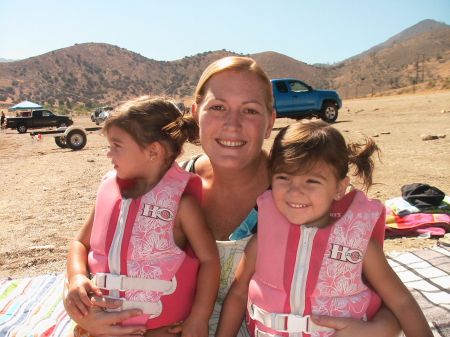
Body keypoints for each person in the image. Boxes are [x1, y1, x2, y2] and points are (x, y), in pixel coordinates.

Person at [64, 56, 401, 337]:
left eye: (251, 111)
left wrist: (378, 328)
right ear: (196, 114)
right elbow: (85, 246)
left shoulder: (308, 196)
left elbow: (387, 301)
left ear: (271, 121)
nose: (233, 125)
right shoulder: (159, 183)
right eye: (219, 107)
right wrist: (78, 298)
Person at [216, 120, 432, 337]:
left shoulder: (360, 246)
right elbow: (238, 293)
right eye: (284, 177)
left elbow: (402, 303)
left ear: (339, 187)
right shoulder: (262, 240)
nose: (295, 191)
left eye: (311, 181)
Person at [65, 96, 220, 337]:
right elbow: (80, 243)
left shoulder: (182, 205)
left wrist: (199, 317)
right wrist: (76, 277)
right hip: (98, 328)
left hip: (159, 330)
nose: (108, 154)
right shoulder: (109, 190)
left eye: (117, 145)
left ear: (153, 151)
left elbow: (210, 261)